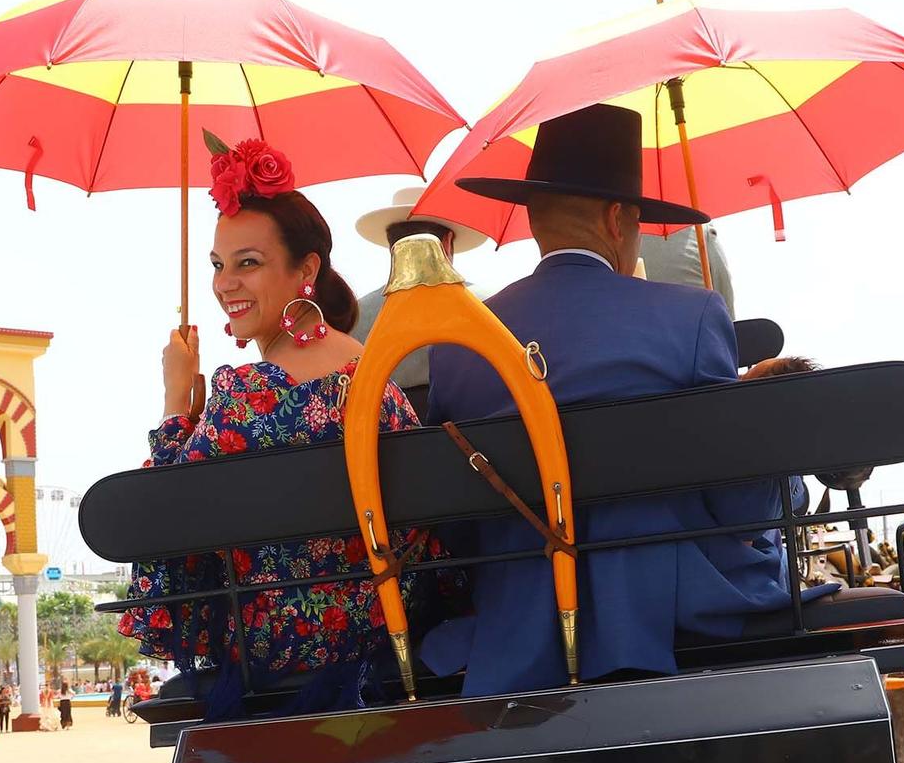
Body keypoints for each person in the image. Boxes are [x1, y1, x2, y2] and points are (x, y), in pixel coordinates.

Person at [424, 103, 791, 696]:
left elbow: (459, 526)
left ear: (535, 217)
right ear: (618, 219)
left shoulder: (458, 345)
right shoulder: (690, 315)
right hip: (670, 613)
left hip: (514, 621)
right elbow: (738, 505)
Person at [119, 134, 448, 691]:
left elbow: (162, 529)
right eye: (219, 264)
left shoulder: (245, 397)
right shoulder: (375, 377)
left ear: (305, 272)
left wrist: (176, 403)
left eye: (248, 263)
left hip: (273, 661)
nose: (225, 284)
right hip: (385, 642)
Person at [349, 188, 486, 413]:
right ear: (448, 243)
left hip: (380, 442)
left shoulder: (353, 318)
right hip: (469, 440)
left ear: (392, 246)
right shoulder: (486, 305)